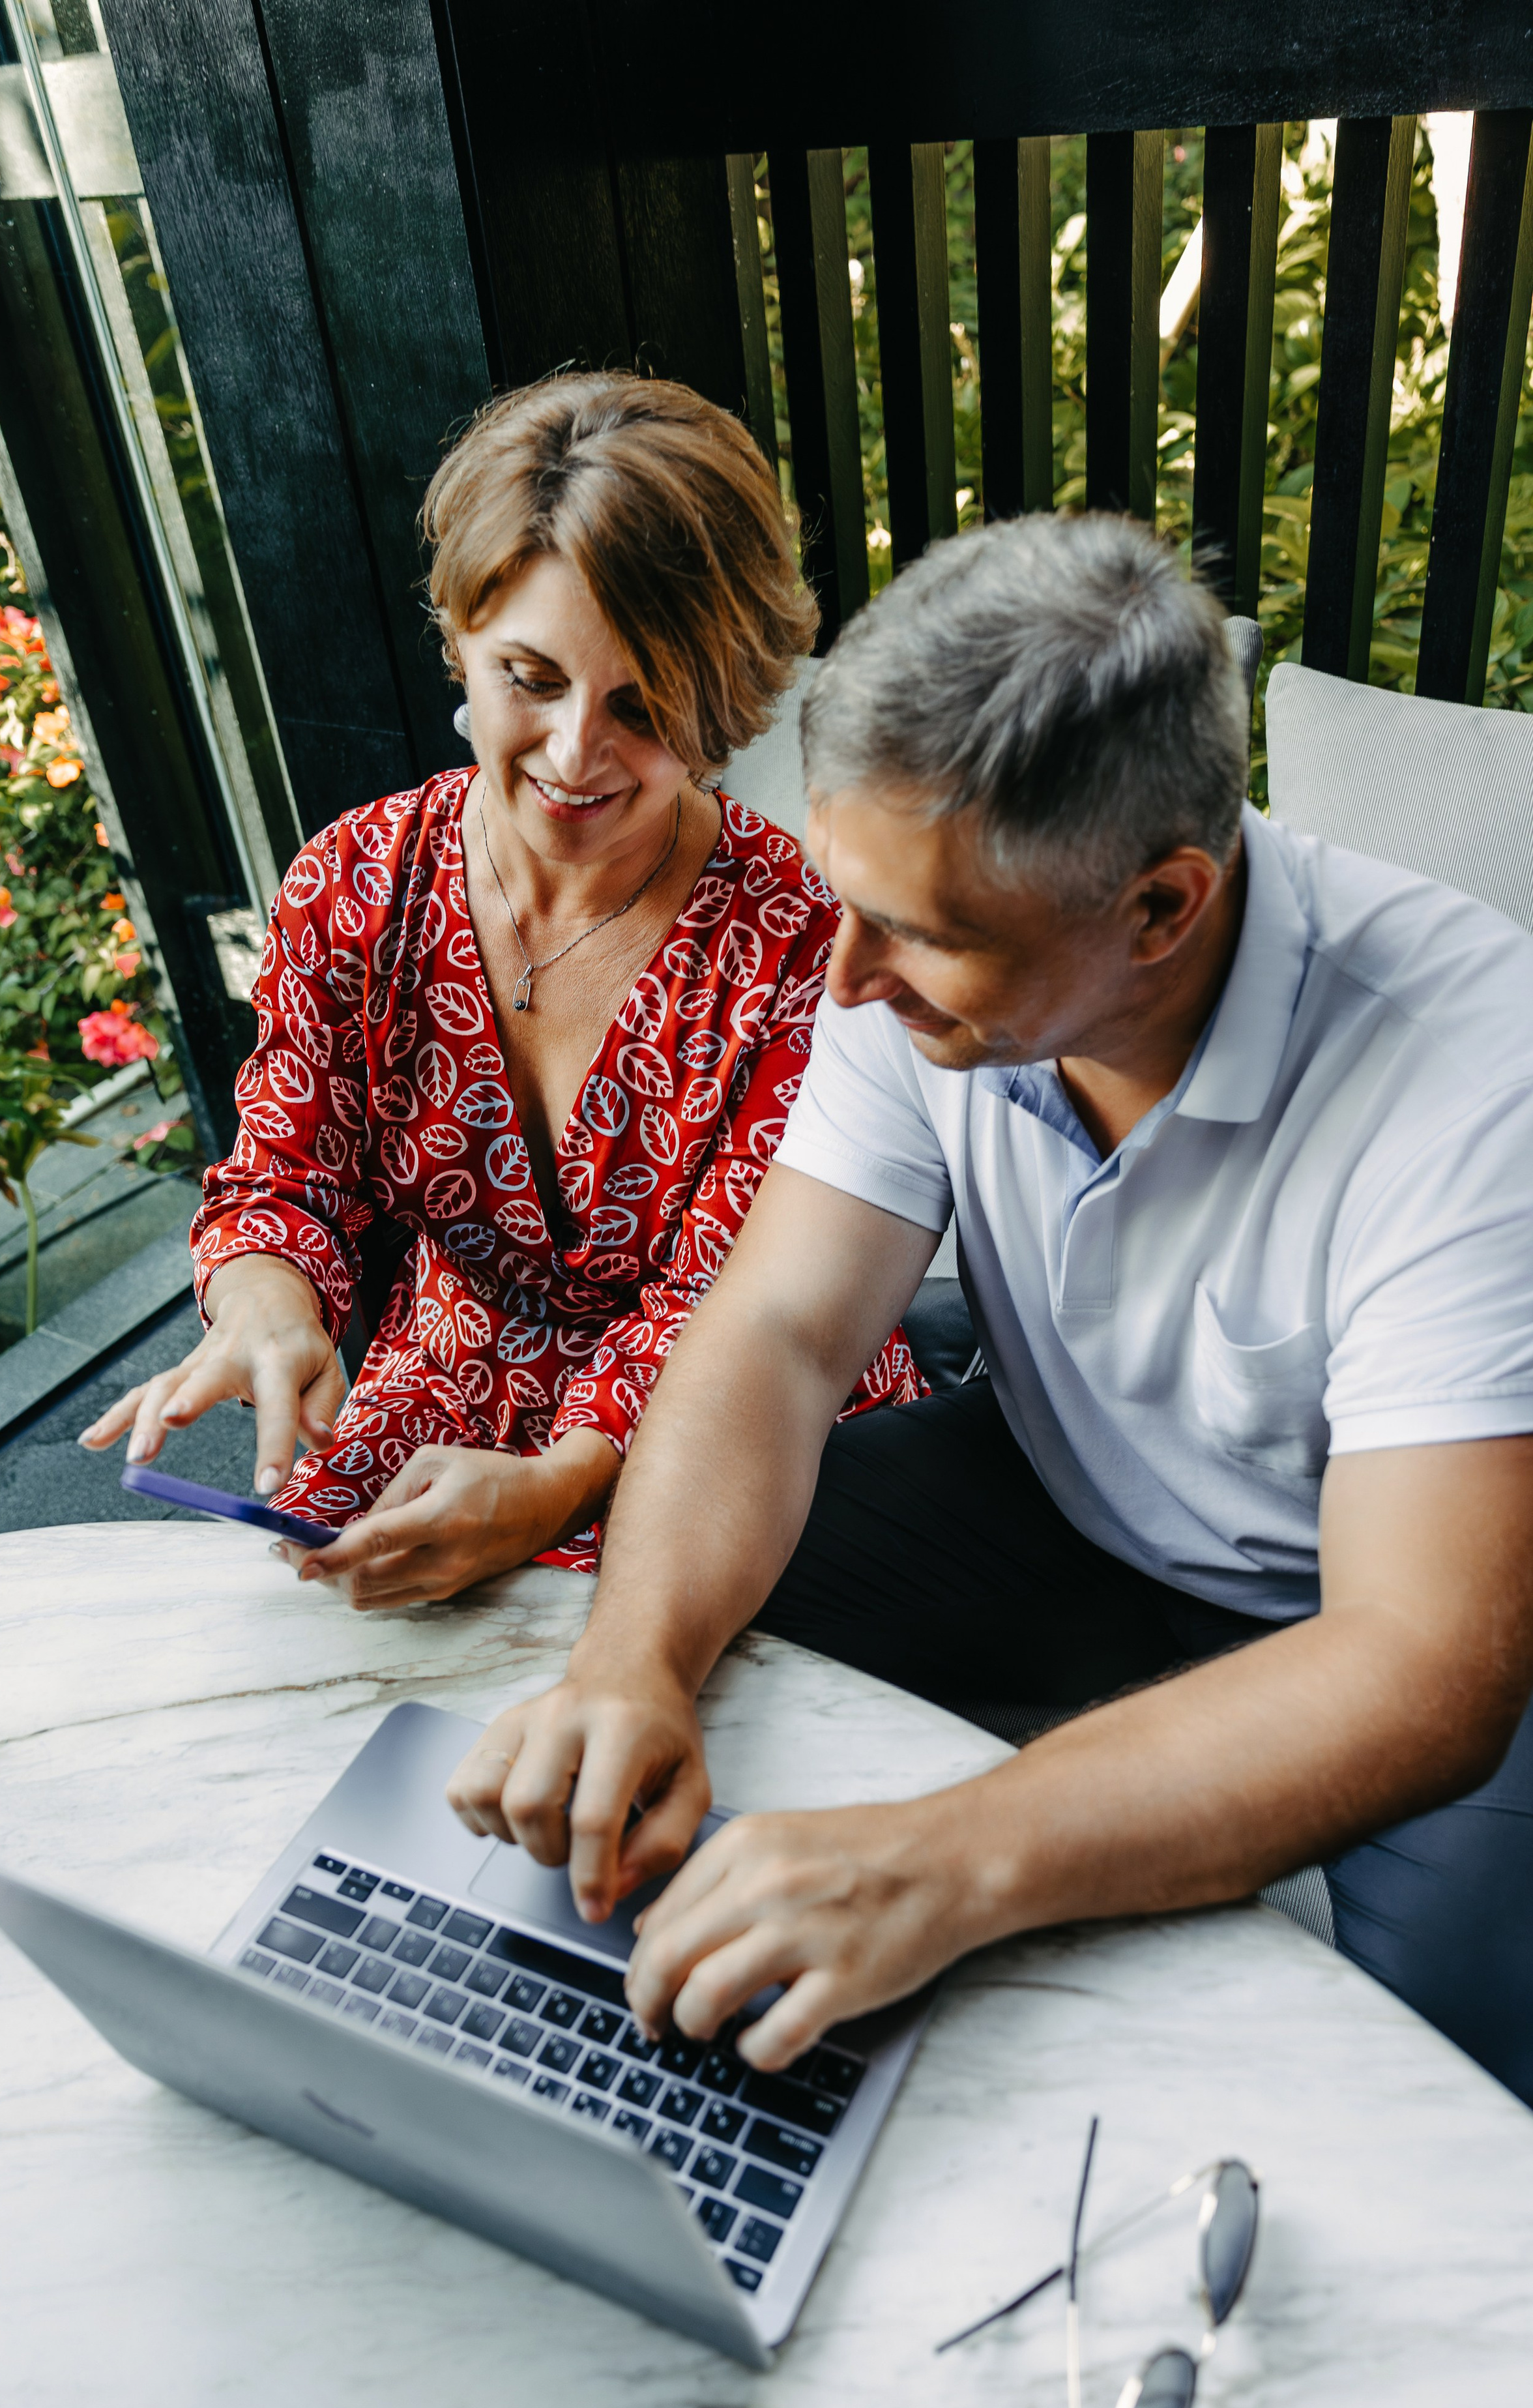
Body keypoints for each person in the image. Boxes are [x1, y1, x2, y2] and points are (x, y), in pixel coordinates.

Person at [448, 512, 1533, 2107]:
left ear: (1157, 909)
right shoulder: (904, 948)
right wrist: (633, 1661)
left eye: (921, 936)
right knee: (629, 1621)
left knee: (1420, 2100)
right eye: (847, 899)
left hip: (1385, 1611)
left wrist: (933, 1862)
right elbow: (779, 1333)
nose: (841, 977)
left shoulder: (1475, 1073)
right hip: (1058, 1493)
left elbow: (1420, 1658)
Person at [80, 374, 921, 1595]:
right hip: (437, 1404)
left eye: (643, 702)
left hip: (731, 1431)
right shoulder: (356, 882)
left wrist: (559, 1484)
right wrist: (266, 1301)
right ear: (459, 644)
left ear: (722, 696)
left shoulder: (798, 942)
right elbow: (286, 1175)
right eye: (530, 677)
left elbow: (737, 1305)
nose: (576, 753)